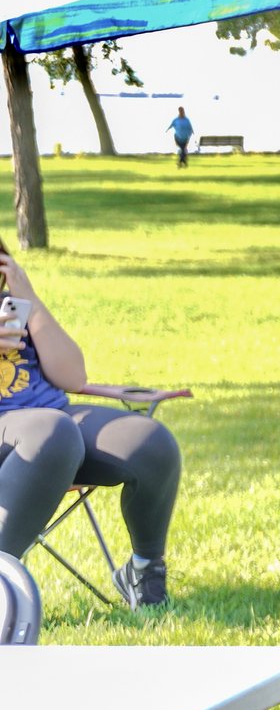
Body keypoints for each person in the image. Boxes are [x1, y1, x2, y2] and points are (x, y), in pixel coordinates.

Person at [0, 239, 184, 604]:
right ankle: (4, 587)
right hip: (32, 435)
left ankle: (144, 572)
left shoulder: (12, 311)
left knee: (151, 443)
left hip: (54, 429)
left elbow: (72, 376)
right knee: (54, 432)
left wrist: (30, 299)